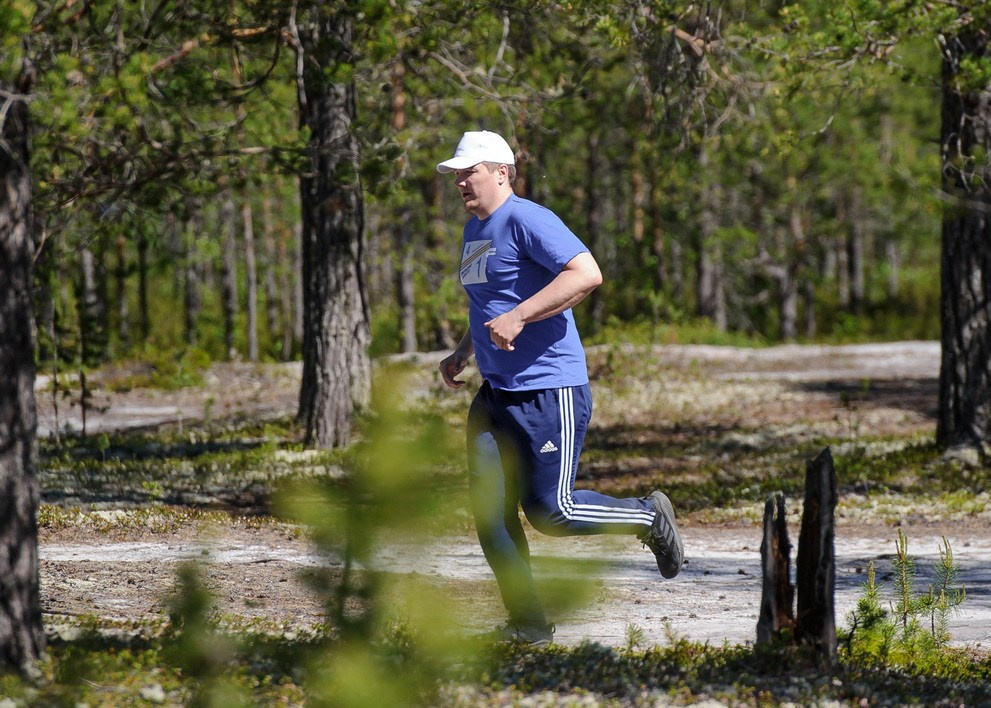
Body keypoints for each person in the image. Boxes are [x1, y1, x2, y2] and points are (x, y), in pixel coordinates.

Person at [437, 130, 684, 646]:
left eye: (470, 171)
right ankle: (528, 626)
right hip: (495, 396)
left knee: (553, 512)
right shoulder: (474, 230)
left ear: (501, 172)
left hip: (549, 390)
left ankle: (646, 516)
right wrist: (465, 350)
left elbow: (586, 274)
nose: (460, 181)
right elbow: (491, 301)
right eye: (456, 174)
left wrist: (521, 317)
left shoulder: (529, 219)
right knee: (491, 517)